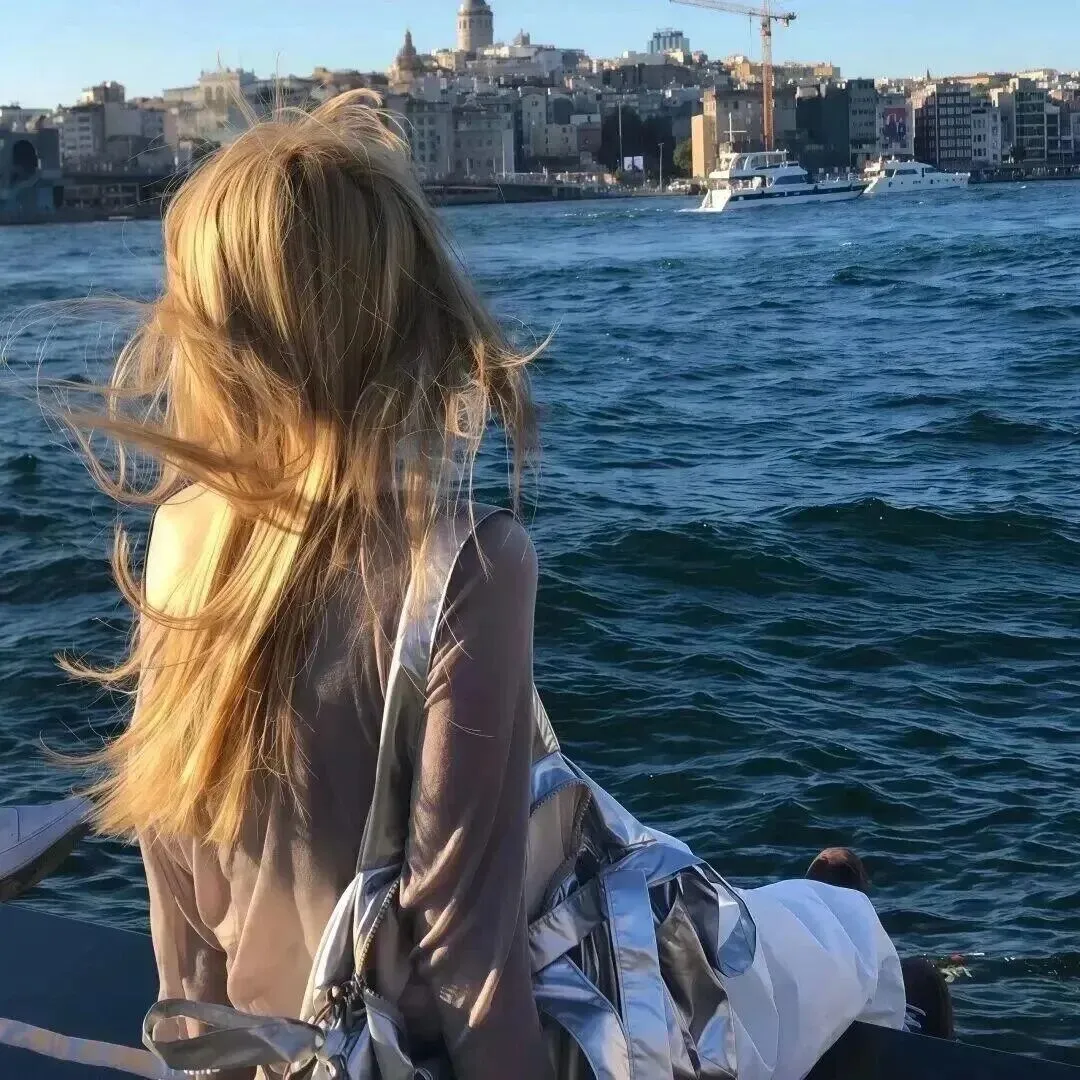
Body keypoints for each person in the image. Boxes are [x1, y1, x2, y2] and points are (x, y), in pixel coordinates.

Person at [62, 91, 941, 1080]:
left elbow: (180, 922)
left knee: (722, 909)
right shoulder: (466, 564)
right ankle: (881, 960)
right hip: (460, 1049)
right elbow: (466, 955)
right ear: (410, 316)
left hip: (274, 1049)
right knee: (803, 945)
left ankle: (825, 913)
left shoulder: (181, 537)